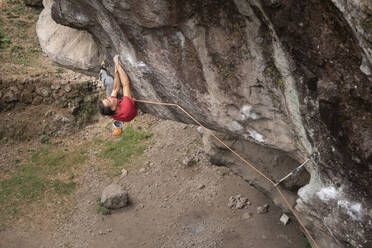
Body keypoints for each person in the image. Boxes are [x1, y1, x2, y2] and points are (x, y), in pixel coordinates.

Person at [98, 55, 137, 123]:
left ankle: (103, 73)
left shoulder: (109, 111)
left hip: (126, 109)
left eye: (107, 99)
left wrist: (116, 71)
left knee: (113, 85)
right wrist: (117, 64)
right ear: (113, 108)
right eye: (109, 100)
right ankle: (102, 75)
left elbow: (115, 89)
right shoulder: (126, 107)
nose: (110, 97)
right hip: (127, 108)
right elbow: (126, 84)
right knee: (110, 81)